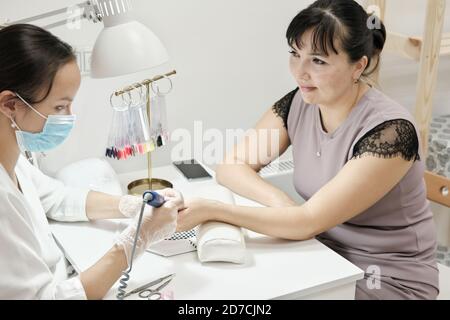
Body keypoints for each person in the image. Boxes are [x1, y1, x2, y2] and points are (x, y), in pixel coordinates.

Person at [177, 0, 439, 299]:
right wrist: (281, 202)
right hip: (319, 253)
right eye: (295, 54)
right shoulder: (300, 103)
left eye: (318, 61)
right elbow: (233, 164)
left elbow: (308, 222)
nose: (299, 72)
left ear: (359, 65)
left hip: (385, 277)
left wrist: (214, 210)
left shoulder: (391, 132)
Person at [0, 24, 183, 300]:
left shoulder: (14, 157)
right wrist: (133, 242)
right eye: (59, 107)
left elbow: (56, 198)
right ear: (10, 104)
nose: (69, 117)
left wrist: (131, 206)